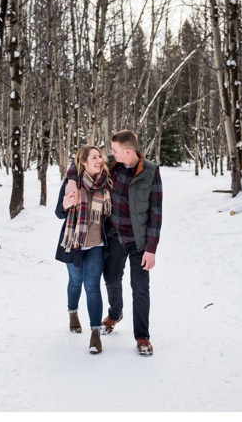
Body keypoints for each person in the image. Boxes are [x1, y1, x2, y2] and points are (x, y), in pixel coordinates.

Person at [65, 129, 162, 356]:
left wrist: (151, 249)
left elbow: (156, 213)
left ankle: (142, 337)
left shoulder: (151, 172)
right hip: (114, 237)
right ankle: (115, 313)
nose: (110, 153)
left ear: (128, 151)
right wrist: (71, 181)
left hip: (138, 241)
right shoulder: (112, 164)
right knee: (111, 279)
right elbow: (78, 160)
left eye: (115, 150)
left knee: (140, 289)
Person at [55, 145, 112, 355]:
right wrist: (65, 205)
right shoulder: (72, 184)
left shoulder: (106, 181)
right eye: (94, 157)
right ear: (84, 163)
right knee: (75, 281)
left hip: (96, 244)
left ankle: (95, 332)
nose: (99, 160)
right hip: (74, 244)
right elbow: (58, 213)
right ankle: (72, 312)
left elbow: (120, 154)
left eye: (100, 156)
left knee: (92, 286)